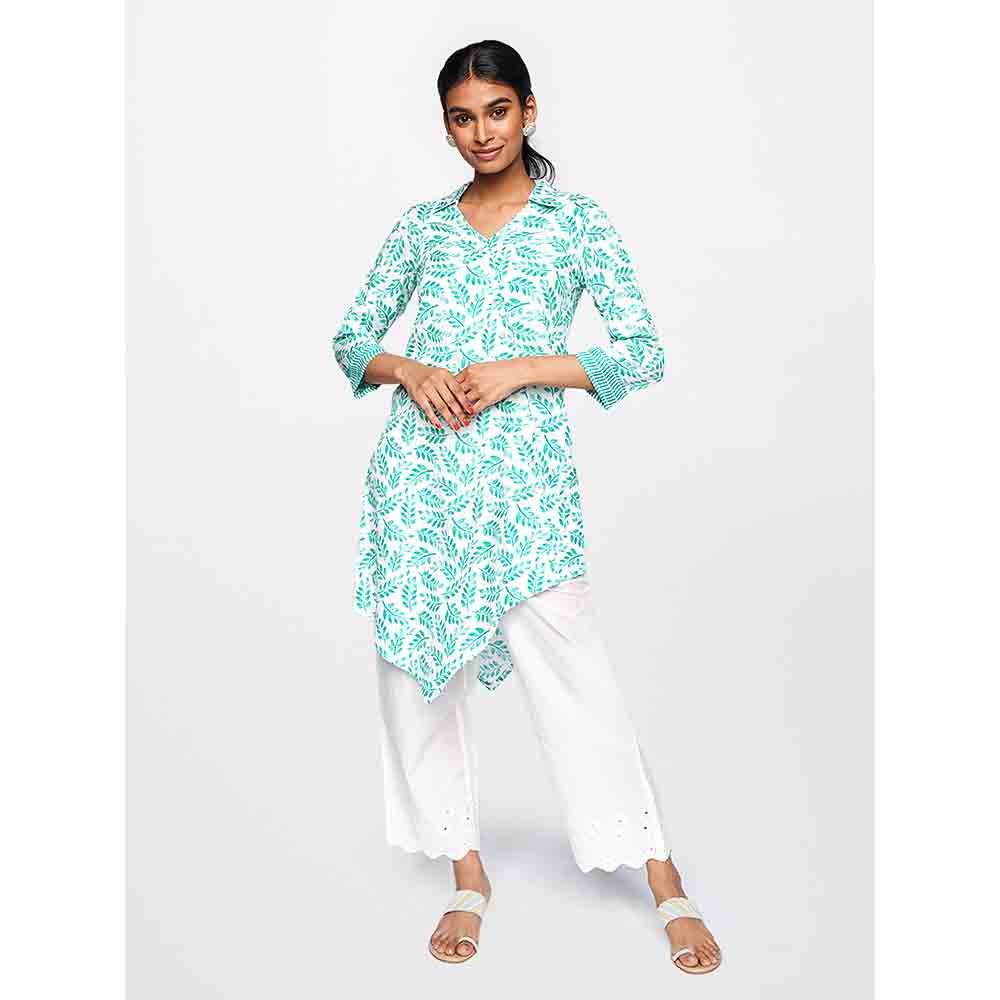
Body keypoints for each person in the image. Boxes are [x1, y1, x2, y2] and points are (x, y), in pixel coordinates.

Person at [331, 39, 722, 974]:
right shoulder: (423, 227)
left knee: (578, 683)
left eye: (497, 111)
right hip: (420, 484)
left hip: (525, 488)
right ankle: (467, 876)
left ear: (529, 110)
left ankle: (664, 879)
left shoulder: (575, 222)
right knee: (419, 687)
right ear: (446, 127)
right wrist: (409, 368)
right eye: (462, 117)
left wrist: (523, 370)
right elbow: (351, 338)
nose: (482, 133)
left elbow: (641, 350)